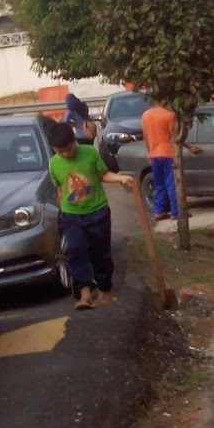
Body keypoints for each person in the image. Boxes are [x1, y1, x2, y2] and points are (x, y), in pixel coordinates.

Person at [47, 120, 136, 309]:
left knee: (100, 254)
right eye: (60, 151)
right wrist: (61, 206)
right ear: (54, 149)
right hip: (71, 216)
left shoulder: (89, 152)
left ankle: (105, 292)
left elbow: (103, 175)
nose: (65, 154)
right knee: (76, 251)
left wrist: (121, 178)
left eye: (69, 149)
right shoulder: (53, 163)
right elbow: (59, 188)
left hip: (98, 213)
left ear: (74, 141)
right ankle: (84, 294)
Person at [139, 95, 178, 222]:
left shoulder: (146, 115)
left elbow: (145, 137)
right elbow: (173, 136)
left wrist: (150, 152)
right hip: (167, 153)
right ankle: (174, 212)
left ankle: (158, 211)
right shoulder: (169, 115)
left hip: (154, 154)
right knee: (170, 183)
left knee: (159, 183)